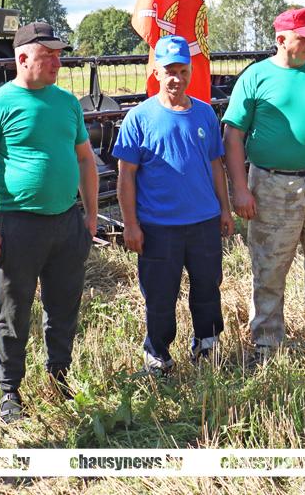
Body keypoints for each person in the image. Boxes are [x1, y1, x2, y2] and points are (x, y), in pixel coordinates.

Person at [0, 21, 98, 423]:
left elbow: (85, 160)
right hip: (19, 226)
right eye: (48, 55)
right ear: (22, 58)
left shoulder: (68, 103)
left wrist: (90, 216)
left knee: (64, 306)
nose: (58, 62)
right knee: (13, 311)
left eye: (59, 55)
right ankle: (10, 391)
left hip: (67, 222)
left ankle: (59, 377)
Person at [222, 7, 305, 360]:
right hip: (271, 186)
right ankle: (267, 342)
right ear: (281, 39)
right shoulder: (255, 77)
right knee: (269, 267)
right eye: (304, 38)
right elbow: (233, 135)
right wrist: (240, 188)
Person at [113, 35, 234, 375]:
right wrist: (131, 224)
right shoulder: (139, 118)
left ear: (191, 71)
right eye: (170, 71)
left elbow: (216, 165)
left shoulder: (205, 114)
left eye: (183, 71)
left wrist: (224, 210)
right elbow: (126, 176)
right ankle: (158, 354)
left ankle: (207, 344)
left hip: (203, 222)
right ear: (156, 73)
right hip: (158, 227)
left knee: (207, 287)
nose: (176, 79)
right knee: (160, 295)